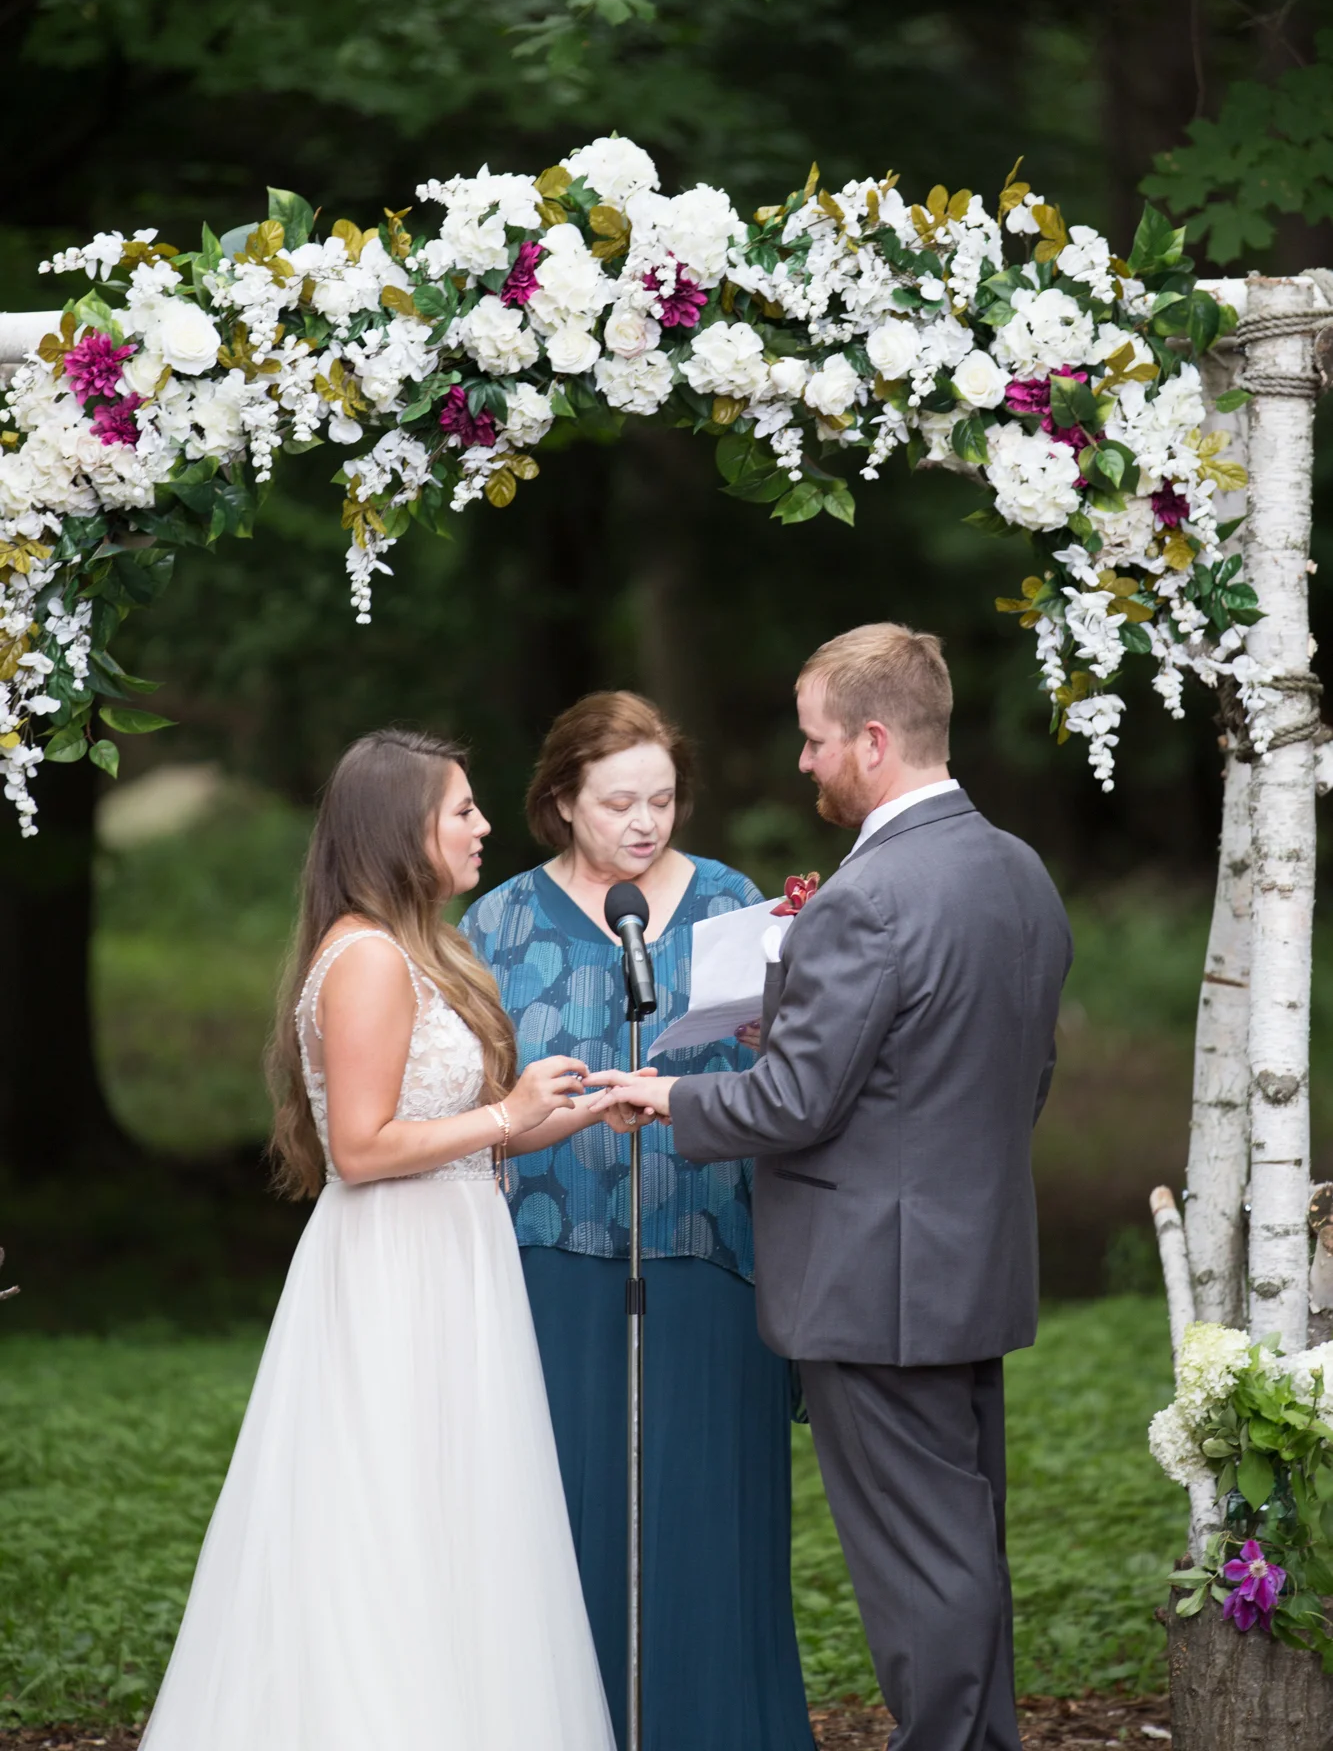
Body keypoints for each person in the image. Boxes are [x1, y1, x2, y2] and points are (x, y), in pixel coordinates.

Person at [602, 625, 1073, 1751]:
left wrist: (668, 1097)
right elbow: (1004, 1067)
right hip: (969, 1258)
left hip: (873, 1281)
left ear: (871, 739)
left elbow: (792, 1105)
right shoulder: (1016, 867)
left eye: (815, 739)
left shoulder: (869, 895)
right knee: (961, 1542)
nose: (804, 760)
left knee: (918, 1567)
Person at [140, 728, 617, 1751]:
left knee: (458, 1512)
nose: (483, 826)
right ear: (402, 828)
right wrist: (505, 1112)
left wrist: (574, 1110)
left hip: (454, 1251)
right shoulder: (364, 958)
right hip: (395, 1267)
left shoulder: (424, 947)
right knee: (386, 1510)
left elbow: (458, 1134)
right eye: (462, 809)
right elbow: (360, 1148)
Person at [460, 691, 813, 1751]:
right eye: (618, 802)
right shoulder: (497, 923)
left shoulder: (733, 903)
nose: (644, 822)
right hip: (549, 1266)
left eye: (661, 799)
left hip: (708, 1254)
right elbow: (462, 1099)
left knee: (707, 1523)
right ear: (562, 799)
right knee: (561, 1524)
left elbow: (791, 1076)